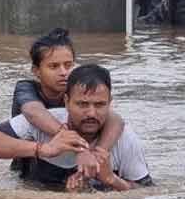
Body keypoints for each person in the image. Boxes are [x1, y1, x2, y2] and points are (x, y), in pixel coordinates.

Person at [0, 65, 153, 191]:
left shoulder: (125, 140)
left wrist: (112, 180)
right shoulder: (45, 123)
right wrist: (43, 149)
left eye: (99, 105)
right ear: (66, 102)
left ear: (110, 104)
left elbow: (148, 194)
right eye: (82, 104)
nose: (91, 113)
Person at [10, 29, 125, 174]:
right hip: (29, 166)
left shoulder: (78, 91)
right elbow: (33, 111)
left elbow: (115, 119)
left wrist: (97, 153)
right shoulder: (26, 88)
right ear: (36, 71)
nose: (64, 72)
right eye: (54, 66)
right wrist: (76, 143)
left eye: (68, 65)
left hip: (73, 162)